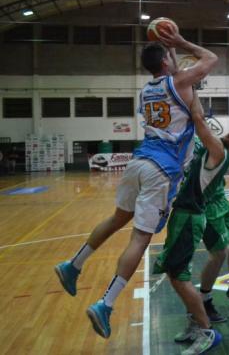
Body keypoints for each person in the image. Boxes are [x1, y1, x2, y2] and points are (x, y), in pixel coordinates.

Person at [54, 24, 218, 339]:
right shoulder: (179, 82)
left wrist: (168, 48)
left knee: (118, 217)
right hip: (162, 169)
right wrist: (181, 41)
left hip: (138, 160)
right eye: (172, 59)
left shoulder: (147, 90)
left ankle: (73, 265)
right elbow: (210, 58)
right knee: (140, 239)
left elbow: (175, 73)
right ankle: (106, 303)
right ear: (168, 64)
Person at [153, 94, 229, 354]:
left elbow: (198, 118)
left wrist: (188, 88)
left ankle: (204, 323)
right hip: (189, 208)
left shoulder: (218, 150)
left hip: (195, 210)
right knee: (184, 270)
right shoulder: (214, 147)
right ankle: (200, 317)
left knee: (181, 272)